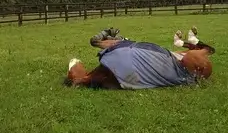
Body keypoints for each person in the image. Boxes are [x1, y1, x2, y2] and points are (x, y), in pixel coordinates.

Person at [63, 26, 215, 90]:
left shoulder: (189, 63)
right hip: (168, 62)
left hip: (166, 62)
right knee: (128, 48)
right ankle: (201, 45)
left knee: (127, 48)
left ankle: (202, 46)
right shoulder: (186, 64)